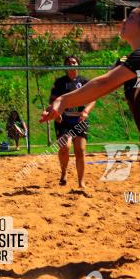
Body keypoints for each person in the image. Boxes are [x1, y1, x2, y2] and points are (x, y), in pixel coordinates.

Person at [41, 7, 140, 278]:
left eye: (131, 18)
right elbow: (100, 87)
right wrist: (62, 103)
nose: (124, 21)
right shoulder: (130, 59)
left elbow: (103, 83)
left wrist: (64, 101)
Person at [48, 56, 96, 194]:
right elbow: (53, 101)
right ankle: (63, 172)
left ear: (78, 65)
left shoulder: (84, 81)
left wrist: (86, 110)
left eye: (74, 62)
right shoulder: (60, 83)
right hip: (64, 120)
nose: (71, 64)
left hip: (79, 120)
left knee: (80, 150)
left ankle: (81, 182)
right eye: (68, 63)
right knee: (65, 147)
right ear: (65, 66)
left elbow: (93, 99)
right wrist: (56, 112)